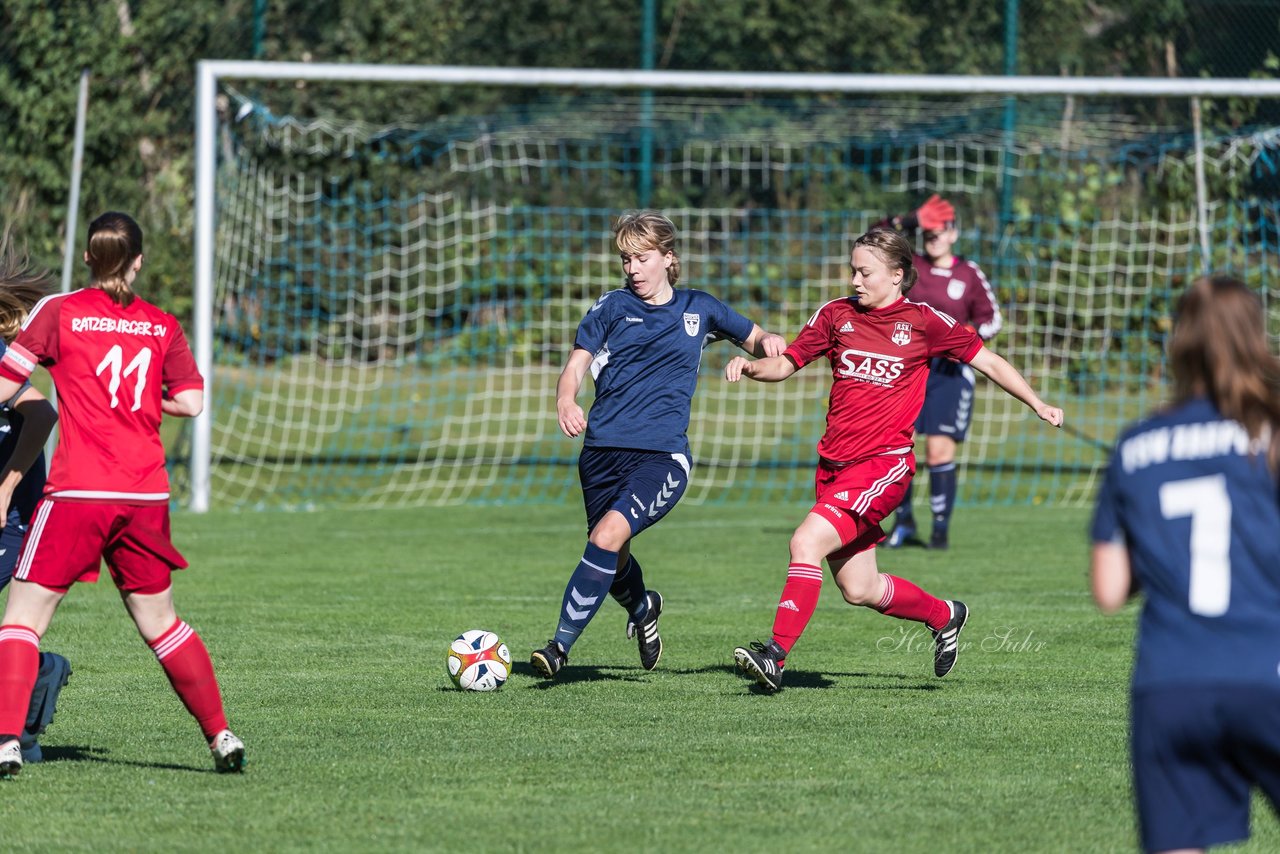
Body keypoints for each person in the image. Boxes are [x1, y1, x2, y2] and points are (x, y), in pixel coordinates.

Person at [727, 228, 1062, 692]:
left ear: (897, 275)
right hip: (834, 467)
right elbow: (785, 365)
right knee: (859, 588)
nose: (855, 280)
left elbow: (989, 361)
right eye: (853, 270)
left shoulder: (925, 323)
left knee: (805, 543)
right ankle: (945, 615)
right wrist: (750, 367)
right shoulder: (835, 314)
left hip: (884, 465)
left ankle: (775, 655)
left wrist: (1036, 402)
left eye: (864, 272)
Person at [0, 212, 244, 777]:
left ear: (88, 258)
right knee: (163, 624)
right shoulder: (162, 324)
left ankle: (7, 740)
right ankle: (221, 736)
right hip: (145, 496)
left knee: (22, 619)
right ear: (137, 261)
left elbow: (8, 386)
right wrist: (134, 401)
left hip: (79, 490)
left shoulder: (60, 311)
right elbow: (191, 403)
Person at [530, 210, 786, 679]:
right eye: (625, 259)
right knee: (611, 552)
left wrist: (771, 342)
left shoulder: (699, 307)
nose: (632, 269)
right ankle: (644, 607)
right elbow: (576, 365)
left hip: (662, 456)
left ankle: (558, 647)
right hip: (601, 453)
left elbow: (756, 336)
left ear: (668, 258)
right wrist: (566, 401)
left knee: (606, 537)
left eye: (641, 258)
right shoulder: (609, 307)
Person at [1090, 275, 1280, 853]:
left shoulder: (1136, 444)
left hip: (1169, 682)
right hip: (1266, 673)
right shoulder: (1269, 434)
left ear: (1180, 342)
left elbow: (1109, 588)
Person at [877, 194, 1002, 550]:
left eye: (940, 229)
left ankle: (940, 531)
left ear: (954, 234)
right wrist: (909, 220)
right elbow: (873, 242)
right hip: (906, 371)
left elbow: (991, 318)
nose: (933, 235)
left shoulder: (968, 273)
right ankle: (902, 523)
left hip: (949, 373)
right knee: (898, 448)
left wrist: (966, 338)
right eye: (928, 230)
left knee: (939, 451)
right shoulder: (909, 265)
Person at [0, 237, 71, 764]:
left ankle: (28, 701)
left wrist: (4, 489)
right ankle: (36, 679)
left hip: (11, 515)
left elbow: (43, 415)